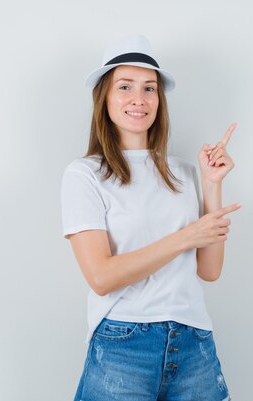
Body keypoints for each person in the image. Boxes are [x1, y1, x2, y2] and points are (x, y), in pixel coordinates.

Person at [60, 34, 239, 401]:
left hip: (194, 344)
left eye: (149, 88)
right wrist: (187, 236)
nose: (139, 100)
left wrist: (211, 183)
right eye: (125, 87)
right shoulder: (85, 175)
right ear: (105, 98)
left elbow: (209, 270)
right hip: (123, 346)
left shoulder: (186, 172)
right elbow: (101, 276)